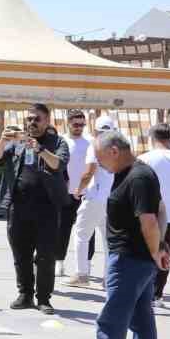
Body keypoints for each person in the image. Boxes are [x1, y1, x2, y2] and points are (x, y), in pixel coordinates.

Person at [66, 130, 169, 339]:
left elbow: (150, 219)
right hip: (137, 258)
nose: (98, 164)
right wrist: (159, 248)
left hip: (130, 259)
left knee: (113, 317)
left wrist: (158, 249)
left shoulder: (138, 176)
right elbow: (160, 208)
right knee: (141, 317)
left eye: (100, 158)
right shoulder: (132, 173)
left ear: (114, 151)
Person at [0, 104, 70, 315]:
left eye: (37, 119)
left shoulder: (58, 142)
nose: (32, 123)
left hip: (47, 208)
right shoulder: (17, 142)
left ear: (47, 121)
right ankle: (25, 294)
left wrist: (40, 149)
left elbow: (58, 164)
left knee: (45, 256)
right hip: (18, 207)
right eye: (29, 119)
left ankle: (44, 298)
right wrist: (3, 140)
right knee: (21, 253)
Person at [138, 124, 170, 307]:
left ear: (151, 137)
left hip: (148, 212)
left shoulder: (143, 158)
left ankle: (143, 291)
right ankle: (158, 294)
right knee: (165, 252)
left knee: (145, 252)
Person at [66, 117, 112, 286]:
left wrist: (78, 189)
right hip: (112, 199)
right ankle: (108, 277)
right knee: (109, 240)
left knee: (81, 235)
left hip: (94, 196)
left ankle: (82, 274)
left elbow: (89, 172)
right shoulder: (121, 147)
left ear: (96, 130)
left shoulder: (97, 145)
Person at [56, 110, 92, 278]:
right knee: (62, 229)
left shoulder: (90, 142)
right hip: (66, 192)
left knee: (88, 232)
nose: (79, 128)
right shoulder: (61, 141)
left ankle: (87, 265)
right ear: (68, 123)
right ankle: (59, 263)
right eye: (76, 124)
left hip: (86, 193)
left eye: (82, 125)